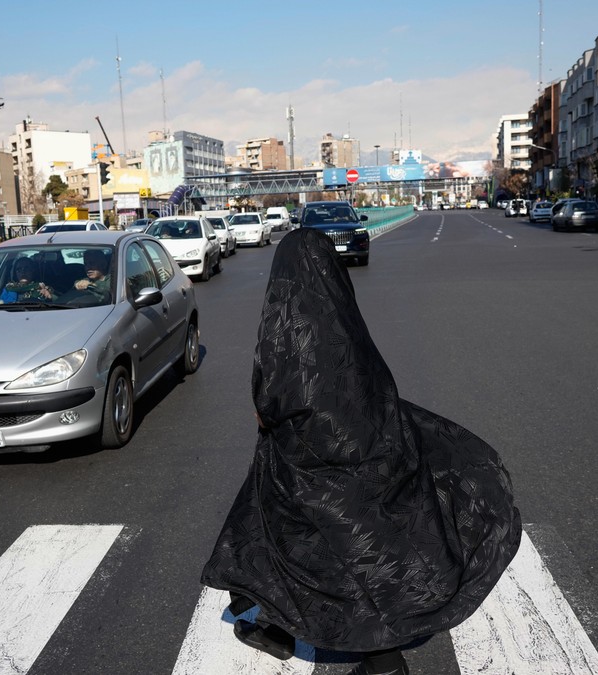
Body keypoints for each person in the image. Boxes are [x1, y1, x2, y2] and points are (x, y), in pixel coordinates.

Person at [200, 228, 522, 675]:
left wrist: (270, 418)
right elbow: (371, 381)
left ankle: (377, 662)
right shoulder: (341, 314)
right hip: (362, 446)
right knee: (350, 546)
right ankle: (294, 630)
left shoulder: (286, 319)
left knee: (286, 540)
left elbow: (277, 390)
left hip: (303, 455)